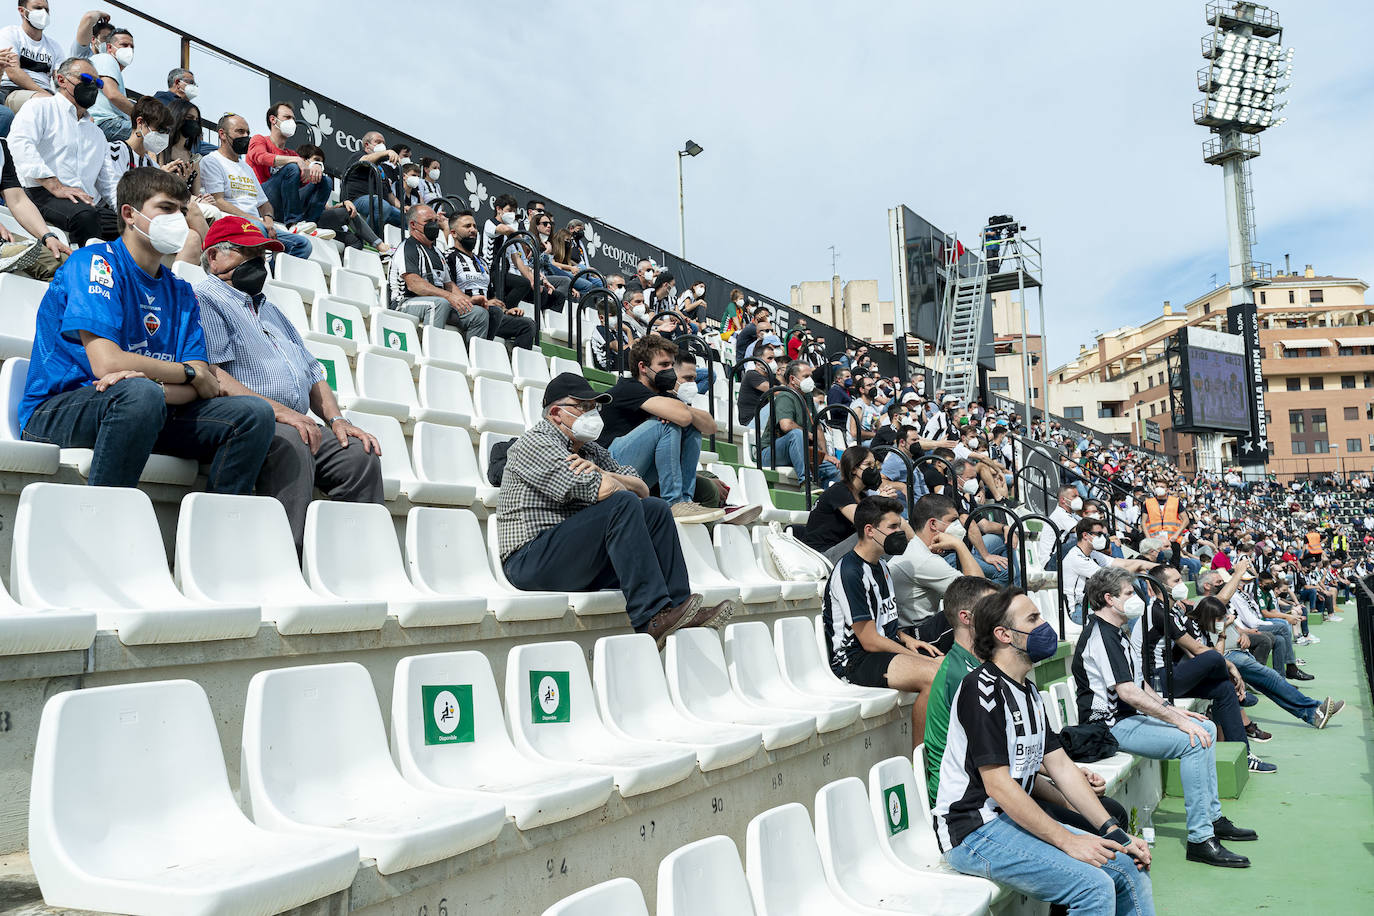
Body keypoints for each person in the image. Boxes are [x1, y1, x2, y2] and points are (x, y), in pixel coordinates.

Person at [19, 166, 275, 490]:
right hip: (59, 409)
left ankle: (215, 530)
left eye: (183, 212)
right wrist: (186, 376)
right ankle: (107, 521)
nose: (178, 221)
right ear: (129, 213)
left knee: (254, 415)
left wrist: (170, 384)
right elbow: (107, 363)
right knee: (139, 396)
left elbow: (204, 381)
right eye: (167, 209)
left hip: (147, 408)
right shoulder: (95, 263)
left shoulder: (182, 291)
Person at [934, 589, 1154, 914]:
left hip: (1007, 821)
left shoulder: (1029, 691)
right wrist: (1068, 840)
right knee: (1093, 886)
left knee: (1128, 868)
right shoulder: (981, 690)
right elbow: (998, 785)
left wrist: (1114, 832)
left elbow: (1062, 767)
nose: (1044, 626)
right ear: (1004, 634)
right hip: (974, 831)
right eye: (1033, 619)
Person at [497, 373, 735, 649]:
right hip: (530, 560)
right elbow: (602, 492)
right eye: (583, 407)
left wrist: (606, 474)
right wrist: (612, 481)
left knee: (655, 508)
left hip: (572, 556)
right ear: (555, 413)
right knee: (621, 504)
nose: (592, 414)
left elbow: (642, 488)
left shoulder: (591, 452)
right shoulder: (536, 443)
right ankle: (650, 617)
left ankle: (679, 606)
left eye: (594, 407)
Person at [194, 217, 384, 550]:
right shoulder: (206, 299)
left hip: (295, 420)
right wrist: (284, 413)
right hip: (250, 421)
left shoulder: (270, 309)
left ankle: (356, 560)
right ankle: (284, 559)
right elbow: (216, 376)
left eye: (262, 256)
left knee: (358, 454)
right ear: (214, 258)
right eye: (248, 254)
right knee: (292, 444)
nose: (258, 264)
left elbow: (312, 372)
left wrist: (338, 420)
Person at [1073, 565, 1256, 867]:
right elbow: (1128, 693)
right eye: (1129, 593)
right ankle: (1200, 839)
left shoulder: (1118, 630)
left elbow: (1141, 684)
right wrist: (1178, 721)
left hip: (1128, 718)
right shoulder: (1100, 636)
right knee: (1194, 741)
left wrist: (1174, 712)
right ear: (1108, 598)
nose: (1136, 599)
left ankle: (1213, 818)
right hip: (1108, 726)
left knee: (1206, 725)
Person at [823, 495, 946, 743]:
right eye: (893, 527)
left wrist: (907, 640)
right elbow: (869, 640)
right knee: (934, 675)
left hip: (882, 651)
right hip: (854, 661)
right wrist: (918, 657)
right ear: (870, 531)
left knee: (951, 666)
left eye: (899, 526)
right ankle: (922, 763)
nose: (899, 532)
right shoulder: (850, 571)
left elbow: (883, 621)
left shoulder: (882, 567)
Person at [1140, 565, 1271, 773]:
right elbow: (1197, 649)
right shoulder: (1157, 611)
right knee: (1213, 656)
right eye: (1176, 581)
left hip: (1172, 674)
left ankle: (1245, 755)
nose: (1182, 585)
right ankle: (1239, 693)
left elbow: (1194, 652)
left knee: (1223, 690)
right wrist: (1231, 667)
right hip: (1157, 680)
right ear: (1160, 586)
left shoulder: (1173, 610)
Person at [596, 335, 723, 524]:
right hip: (610, 466)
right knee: (669, 425)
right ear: (642, 367)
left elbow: (710, 426)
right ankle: (674, 502)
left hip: (638, 472)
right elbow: (682, 417)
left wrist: (681, 411)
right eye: (664, 365)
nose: (670, 370)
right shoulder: (628, 388)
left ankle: (686, 501)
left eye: (671, 365)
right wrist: (681, 413)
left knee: (691, 427)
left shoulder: (664, 395)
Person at [1188, 594, 1344, 731]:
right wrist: (1223, 635)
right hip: (1229, 656)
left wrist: (1243, 634)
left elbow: (1234, 628)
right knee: (1270, 676)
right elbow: (1215, 657)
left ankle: (1313, 714)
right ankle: (1314, 708)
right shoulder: (1199, 617)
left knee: (1269, 685)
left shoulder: (1217, 611)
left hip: (1238, 651)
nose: (1224, 621)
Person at [8, 56, 119, 243]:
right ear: (61, 80)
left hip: (80, 201)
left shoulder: (98, 134)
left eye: (97, 83)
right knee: (85, 216)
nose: (92, 86)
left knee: (131, 228)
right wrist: (55, 185)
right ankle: (81, 270)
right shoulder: (39, 107)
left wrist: (131, 212)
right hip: (39, 191)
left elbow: (109, 183)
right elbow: (19, 145)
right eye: (85, 79)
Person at [923, 576, 1002, 806]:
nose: (1000, 616)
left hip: (983, 786)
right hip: (962, 800)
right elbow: (996, 765)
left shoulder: (977, 665)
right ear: (966, 618)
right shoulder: (963, 676)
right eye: (991, 608)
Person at [198, 113, 312, 259]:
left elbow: (264, 204)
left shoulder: (246, 168)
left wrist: (268, 220)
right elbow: (219, 201)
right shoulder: (212, 161)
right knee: (258, 229)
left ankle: (270, 273)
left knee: (303, 244)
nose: (245, 136)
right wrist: (259, 222)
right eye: (240, 131)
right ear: (222, 134)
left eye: (247, 133)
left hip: (256, 224)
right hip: (232, 222)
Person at [889, 493, 987, 639]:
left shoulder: (916, 548)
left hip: (911, 628)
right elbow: (979, 593)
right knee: (981, 612)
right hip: (917, 634)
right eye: (953, 520)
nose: (958, 525)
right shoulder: (923, 560)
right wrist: (959, 545)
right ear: (933, 524)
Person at [387, 203, 489, 340]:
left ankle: (470, 357)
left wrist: (468, 300)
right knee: (439, 304)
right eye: (428, 222)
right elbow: (414, 284)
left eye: (435, 221)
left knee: (479, 313)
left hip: (439, 304)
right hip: (404, 302)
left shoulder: (438, 253)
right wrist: (448, 297)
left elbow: (449, 285)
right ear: (413, 225)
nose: (434, 225)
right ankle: (433, 351)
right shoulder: (407, 247)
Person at [445, 207, 535, 349]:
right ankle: (476, 357)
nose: (473, 230)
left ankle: (518, 368)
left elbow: (491, 298)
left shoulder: (482, 262)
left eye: (474, 226)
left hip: (490, 313)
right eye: (467, 226)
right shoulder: (448, 257)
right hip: (463, 311)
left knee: (527, 324)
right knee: (490, 313)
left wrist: (506, 311)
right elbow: (447, 288)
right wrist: (472, 302)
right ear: (454, 233)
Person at [247, 102, 330, 233]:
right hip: (261, 201)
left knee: (325, 181)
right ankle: (293, 222)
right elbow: (260, 157)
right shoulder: (260, 140)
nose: (292, 122)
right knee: (292, 167)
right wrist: (295, 160)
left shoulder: (292, 154)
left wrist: (316, 169)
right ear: (273, 120)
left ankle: (310, 225)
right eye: (287, 117)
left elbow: (305, 182)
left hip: (281, 205)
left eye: (293, 119)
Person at [758, 361, 839, 487]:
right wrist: (807, 433)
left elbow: (817, 428)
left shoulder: (807, 398)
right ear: (792, 379)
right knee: (796, 434)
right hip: (771, 452)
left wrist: (825, 454)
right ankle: (806, 483)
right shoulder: (785, 396)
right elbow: (786, 425)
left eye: (811, 376)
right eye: (806, 376)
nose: (810, 380)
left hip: (802, 451)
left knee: (834, 470)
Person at [0, 135, 68, 277]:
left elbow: (18, 200)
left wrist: (47, 236)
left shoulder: (1, 148)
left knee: (62, 264)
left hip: (4, 239)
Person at [0, 0, 64, 133]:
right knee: (49, 105)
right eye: (38, 8)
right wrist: (47, 96)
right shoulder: (10, 33)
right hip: (12, 91)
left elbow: (61, 80)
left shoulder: (55, 47)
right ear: (22, 11)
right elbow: (13, 72)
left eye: (46, 9)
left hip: (46, 95)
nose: (44, 13)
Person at [340, 130, 403, 230]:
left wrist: (404, 208)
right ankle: (372, 240)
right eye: (378, 142)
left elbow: (390, 195)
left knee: (406, 219)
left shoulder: (380, 169)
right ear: (367, 145)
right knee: (383, 206)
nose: (382, 145)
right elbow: (364, 160)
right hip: (356, 200)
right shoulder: (358, 155)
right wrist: (387, 152)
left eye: (383, 143)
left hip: (379, 202)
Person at [86, 25, 134, 140]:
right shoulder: (106, 59)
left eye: (132, 47)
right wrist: (143, 116)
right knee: (150, 131)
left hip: (109, 125)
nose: (129, 49)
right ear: (109, 47)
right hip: (106, 124)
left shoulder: (109, 65)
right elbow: (112, 94)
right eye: (124, 45)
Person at [737, 334, 779, 425]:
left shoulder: (771, 377)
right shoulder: (751, 375)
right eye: (770, 358)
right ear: (758, 360)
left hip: (761, 419)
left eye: (774, 359)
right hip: (751, 421)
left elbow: (783, 386)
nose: (773, 362)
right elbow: (776, 391)